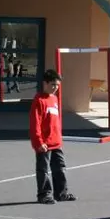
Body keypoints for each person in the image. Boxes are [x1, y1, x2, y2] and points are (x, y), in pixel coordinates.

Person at [29, 69, 76, 204]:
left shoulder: (54, 99)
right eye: (53, 85)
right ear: (45, 83)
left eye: (57, 85)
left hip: (56, 142)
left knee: (60, 168)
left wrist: (58, 139)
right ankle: (44, 194)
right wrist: (39, 142)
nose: (55, 88)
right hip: (44, 144)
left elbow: (55, 122)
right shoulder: (39, 100)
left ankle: (61, 193)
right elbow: (35, 123)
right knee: (43, 170)